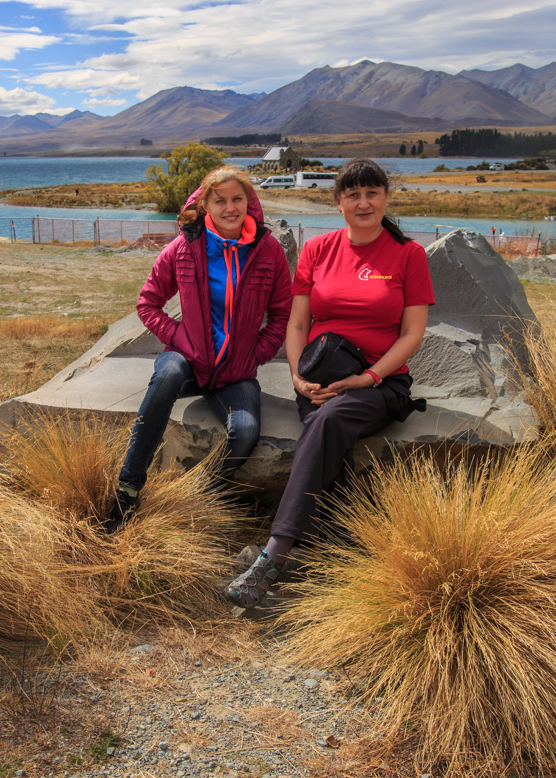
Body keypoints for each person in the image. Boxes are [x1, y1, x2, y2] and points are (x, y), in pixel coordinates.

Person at [224, 159, 435, 607]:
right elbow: (297, 323)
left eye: (372, 193)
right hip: (319, 379)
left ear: (385, 198)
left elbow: (413, 334)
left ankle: (273, 556)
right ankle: (333, 553)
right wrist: (298, 377)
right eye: (353, 194)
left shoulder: (408, 254)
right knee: (324, 421)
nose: (363, 203)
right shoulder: (318, 249)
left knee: (328, 422)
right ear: (338, 202)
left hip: (379, 384)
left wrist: (368, 376)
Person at [104, 167, 292, 532]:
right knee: (167, 373)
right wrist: (179, 338)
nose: (230, 208)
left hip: (236, 373)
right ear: (205, 204)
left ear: (249, 202)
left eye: (237, 199)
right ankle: (128, 488)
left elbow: (282, 312)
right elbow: (148, 304)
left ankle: (196, 497)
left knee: (246, 431)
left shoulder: (267, 251)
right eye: (220, 200)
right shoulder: (184, 247)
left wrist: (256, 354)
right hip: (188, 361)